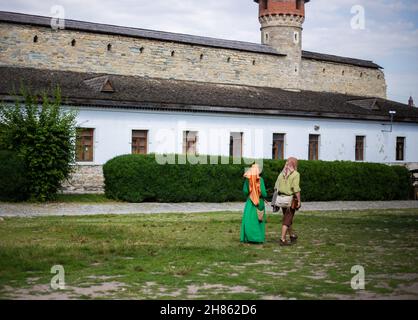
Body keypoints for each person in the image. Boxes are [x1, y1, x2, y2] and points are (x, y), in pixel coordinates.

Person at [274, 157, 302, 246]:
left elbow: (276, 186)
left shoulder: (281, 174)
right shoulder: (296, 174)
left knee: (287, 218)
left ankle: (292, 235)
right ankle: (282, 239)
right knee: (287, 219)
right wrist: (299, 200)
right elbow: (296, 189)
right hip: (290, 200)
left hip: (282, 199)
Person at [240, 163, 268, 244]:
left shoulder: (248, 179)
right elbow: (264, 193)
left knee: (248, 220)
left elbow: (245, 191)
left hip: (250, 202)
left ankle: (248, 237)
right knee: (259, 220)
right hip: (259, 202)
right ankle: (257, 238)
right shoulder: (260, 179)